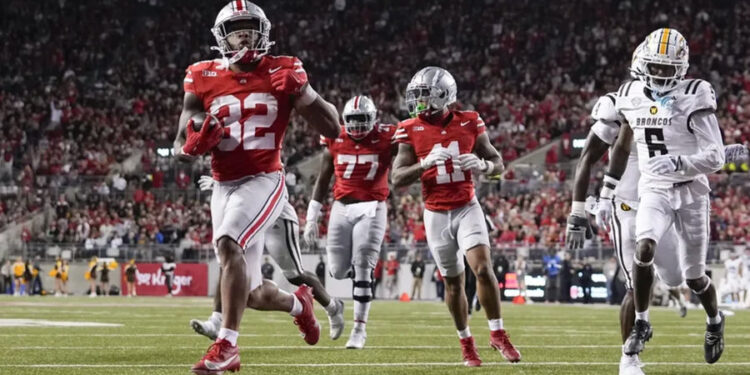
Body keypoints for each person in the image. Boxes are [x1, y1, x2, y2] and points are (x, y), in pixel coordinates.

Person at [173, 2, 340, 372]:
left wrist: (307, 95)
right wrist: (192, 141)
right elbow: (178, 146)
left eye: (251, 28)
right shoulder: (200, 75)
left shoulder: (285, 67)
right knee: (247, 292)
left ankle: (227, 346)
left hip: (265, 177)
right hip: (223, 184)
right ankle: (301, 305)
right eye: (237, 29)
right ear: (223, 37)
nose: (245, 35)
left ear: (264, 31)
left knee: (228, 242)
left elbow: (333, 129)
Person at [602, 29, 725, 365]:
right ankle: (642, 322)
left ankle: (715, 321)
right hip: (653, 187)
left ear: (680, 70)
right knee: (644, 246)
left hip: (691, 191)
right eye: (653, 67)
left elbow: (716, 158)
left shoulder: (695, 95)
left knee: (694, 276)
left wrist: (681, 162)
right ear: (643, 64)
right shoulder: (628, 94)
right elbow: (621, 144)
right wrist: (605, 192)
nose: (658, 75)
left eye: (665, 69)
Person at [391, 66, 520, 366]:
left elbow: (497, 161)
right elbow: (397, 179)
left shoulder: (470, 120)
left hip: (466, 207)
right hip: (435, 214)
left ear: (444, 95)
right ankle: (466, 343)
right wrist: (424, 164)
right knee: (453, 283)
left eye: (424, 96)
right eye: (416, 96)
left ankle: (497, 333)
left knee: (484, 269)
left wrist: (484, 166)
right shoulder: (409, 127)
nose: (419, 103)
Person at [190, 177, 345, 342]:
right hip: (247, 206)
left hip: (274, 211)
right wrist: (223, 182)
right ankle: (217, 320)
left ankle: (332, 306)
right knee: (232, 264)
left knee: (294, 274)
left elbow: (261, 165)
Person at [304, 95, 396, 349]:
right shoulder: (335, 138)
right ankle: (350, 291)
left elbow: (410, 149)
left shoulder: (387, 137)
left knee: (363, 265)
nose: (356, 126)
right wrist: (312, 216)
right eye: (352, 120)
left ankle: (359, 329)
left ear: (373, 119)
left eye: (361, 120)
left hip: (372, 206)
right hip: (341, 207)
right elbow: (323, 180)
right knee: (337, 270)